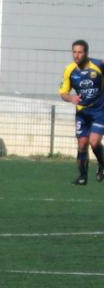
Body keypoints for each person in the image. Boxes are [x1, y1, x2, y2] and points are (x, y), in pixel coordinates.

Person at [59, 40, 104, 185]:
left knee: (94, 141)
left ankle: (102, 165)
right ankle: (82, 176)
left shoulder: (98, 65)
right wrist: (71, 97)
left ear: (86, 53)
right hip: (82, 112)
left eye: (80, 52)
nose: (76, 55)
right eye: (74, 52)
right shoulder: (69, 70)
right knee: (82, 143)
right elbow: (63, 93)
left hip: (99, 110)